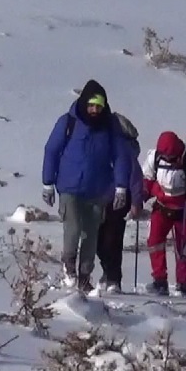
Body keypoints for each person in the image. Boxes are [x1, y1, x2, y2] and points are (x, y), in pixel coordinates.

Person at [41, 80, 135, 293]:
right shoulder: (68, 122)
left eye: (99, 106)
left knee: (91, 236)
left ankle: (84, 276)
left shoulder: (109, 126)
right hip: (69, 187)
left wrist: (121, 187)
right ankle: (69, 268)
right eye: (92, 105)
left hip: (97, 190)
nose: (95, 110)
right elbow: (51, 150)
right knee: (73, 228)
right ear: (84, 103)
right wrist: (48, 183)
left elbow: (120, 157)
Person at [141, 131, 186, 296]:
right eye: (166, 157)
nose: (169, 160)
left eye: (172, 157)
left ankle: (183, 284)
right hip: (162, 208)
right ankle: (160, 281)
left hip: (185, 210)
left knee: (185, 249)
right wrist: (144, 193)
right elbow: (147, 179)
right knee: (154, 242)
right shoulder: (155, 158)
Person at [95, 112, 145, 293]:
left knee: (112, 240)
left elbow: (136, 177)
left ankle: (113, 279)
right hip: (101, 199)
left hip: (120, 201)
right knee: (99, 241)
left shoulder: (123, 149)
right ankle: (108, 273)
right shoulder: (101, 146)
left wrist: (137, 201)